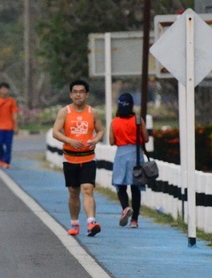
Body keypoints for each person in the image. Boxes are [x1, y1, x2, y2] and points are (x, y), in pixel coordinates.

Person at [51, 79, 104, 237]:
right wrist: (70, 141)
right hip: (70, 158)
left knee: (87, 189)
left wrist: (95, 140)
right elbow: (55, 132)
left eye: (81, 92)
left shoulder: (93, 112)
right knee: (73, 191)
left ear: (87, 94)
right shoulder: (64, 112)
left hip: (88, 158)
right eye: (75, 92)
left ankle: (91, 222)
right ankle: (74, 223)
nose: (78, 95)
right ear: (70, 95)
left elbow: (101, 131)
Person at [109, 92, 148, 229]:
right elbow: (146, 138)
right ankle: (134, 220)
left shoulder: (114, 122)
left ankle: (125, 207)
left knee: (121, 185)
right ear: (131, 105)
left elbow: (111, 141)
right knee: (135, 187)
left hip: (121, 155)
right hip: (136, 155)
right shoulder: (138, 120)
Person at [0, 82, 19, 168]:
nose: (4, 90)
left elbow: (14, 114)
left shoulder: (12, 101)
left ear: (8, 90)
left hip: (9, 127)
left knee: (8, 145)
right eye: (2, 89)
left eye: (6, 89)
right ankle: (1, 158)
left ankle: (7, 162)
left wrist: (16, 126)